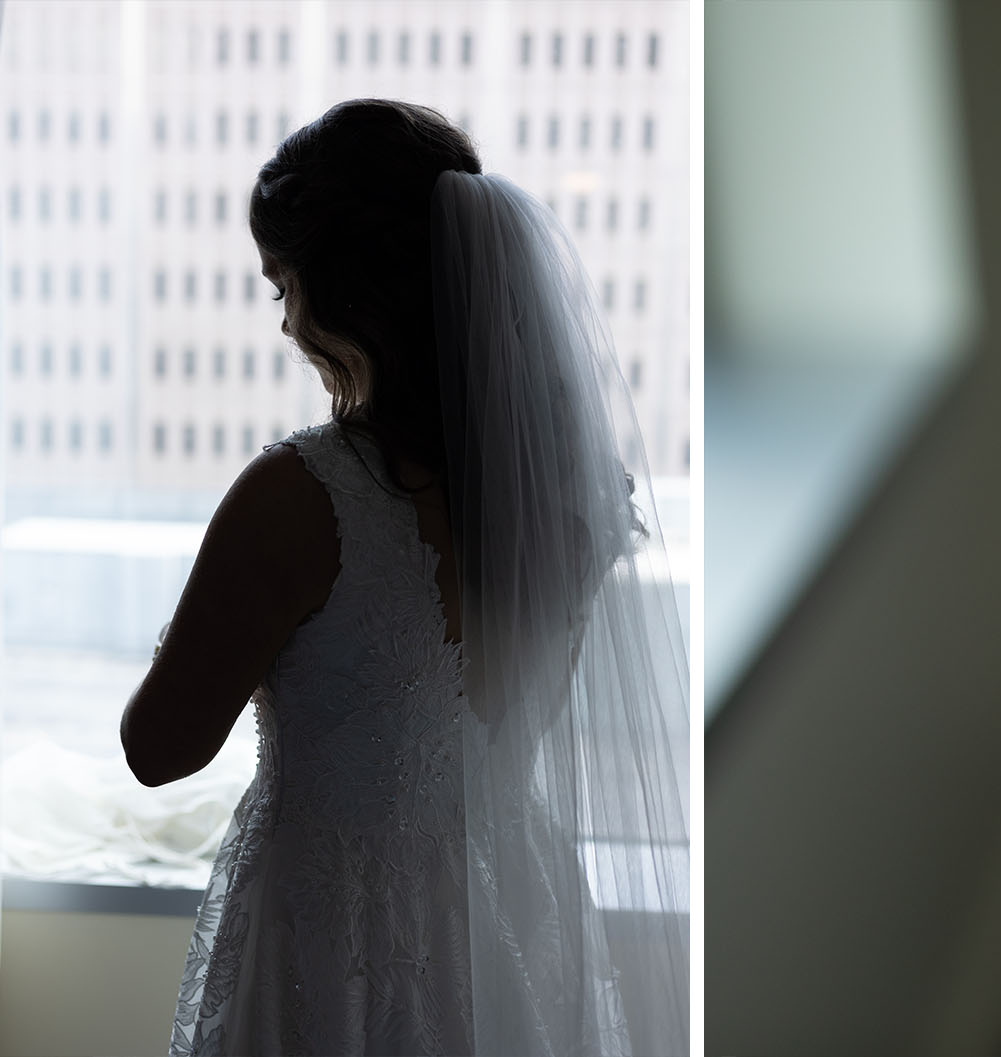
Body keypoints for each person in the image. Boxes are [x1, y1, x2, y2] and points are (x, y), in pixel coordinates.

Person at [119, 99, 689, 1057]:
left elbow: (159, 746)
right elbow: (512, 719)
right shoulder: (570, 492)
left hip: (339, 937)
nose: (288, 322)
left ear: (345, 292)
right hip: (511, 906)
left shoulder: (301, 497)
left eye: (283, 286)